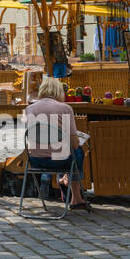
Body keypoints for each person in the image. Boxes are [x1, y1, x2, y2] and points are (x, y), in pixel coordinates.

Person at [24, 76, 88, 210]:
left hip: (35, 161)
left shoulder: (29, 109)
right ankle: (75, 196)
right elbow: (75, 143)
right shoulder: (65, 109)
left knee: (66, 150)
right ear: (59, 91)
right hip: (59, 161)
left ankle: (65, 180)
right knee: (78, 151)